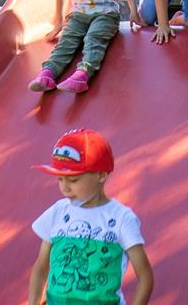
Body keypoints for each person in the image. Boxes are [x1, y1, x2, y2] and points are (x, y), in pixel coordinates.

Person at [28, 128, 154, 305]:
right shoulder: (57, 212)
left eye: (73, 180)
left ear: (101, 175)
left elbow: (145, 275)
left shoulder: (121, 218)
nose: (65, 188)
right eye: (60, 179)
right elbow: (41, 266)